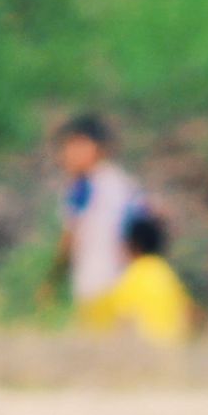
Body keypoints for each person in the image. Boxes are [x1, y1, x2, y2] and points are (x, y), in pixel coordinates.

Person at [50, 113, 152, 315]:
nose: (70, 154)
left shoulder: (88, 186)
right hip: (111, 280)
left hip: (103, 280)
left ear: (100, 148)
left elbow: (70, 236)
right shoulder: (121, 183)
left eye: (79, 146)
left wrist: (53, 279)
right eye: (67, 147)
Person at [79, 212, 197, 346]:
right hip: (173, 350)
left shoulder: (133, 275)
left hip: (146, 351)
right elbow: (189, 312)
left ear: (134, 246)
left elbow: (115, 318)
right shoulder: (167, 274)